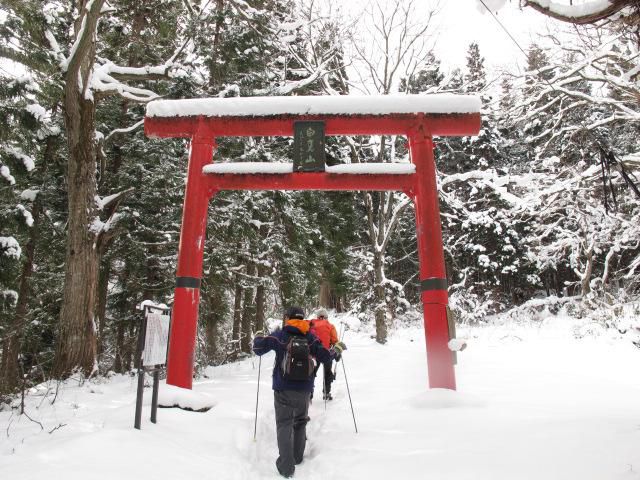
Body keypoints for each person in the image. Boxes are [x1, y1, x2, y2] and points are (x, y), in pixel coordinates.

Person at [252, 306, 345, 478]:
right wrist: (337, 349)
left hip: (283, 388)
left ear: (288, 317)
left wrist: (258, 336)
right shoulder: (310, 337)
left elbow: (258, 349)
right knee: (300, 421)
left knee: (284, 423)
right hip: (304, 389)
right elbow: (326, 357)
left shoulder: (280, 335)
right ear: (303, 319)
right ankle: (297, 457)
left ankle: (286, 467)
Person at [309, 308, 339, 400]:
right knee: (327, 373)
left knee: (311, 373)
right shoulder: (330, 326)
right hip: (327, 352)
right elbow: (334, 341)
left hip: (314, 353)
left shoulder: (311, 324)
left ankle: (309, 393)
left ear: (317, 317)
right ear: (326, 317)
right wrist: (337, 352)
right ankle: (326, 393)